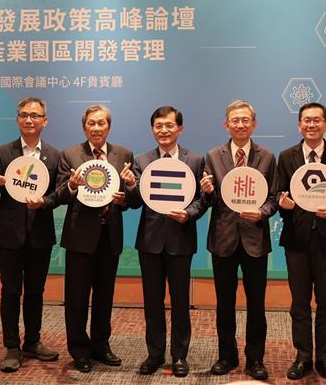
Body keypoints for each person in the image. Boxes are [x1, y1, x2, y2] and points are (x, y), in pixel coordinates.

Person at [57, 104, 139, 373]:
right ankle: (80, 350)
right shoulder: (70, 154)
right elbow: (60, 193)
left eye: (101, 123)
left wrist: (125, 194)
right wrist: (72, 185)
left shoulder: (124, 154)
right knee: (77, 297)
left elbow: (131, 201)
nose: (96, 128)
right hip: (80, 235)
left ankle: (101, 346)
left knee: (104, 295)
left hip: (109, 235)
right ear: (84, 127)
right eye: (91, 123)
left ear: (108, 127)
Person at [199, 100, 277, 380]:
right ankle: (226, 356)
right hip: (224, 239)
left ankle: (255, 359)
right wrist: (206, 191)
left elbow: (272, 198)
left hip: (255, 240)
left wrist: (262, 212)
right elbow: (208, 199)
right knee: (224, 303)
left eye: (246, 120)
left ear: (254, 124)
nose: (240, 124)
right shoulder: (213, 155)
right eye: (235, 120)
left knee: (257, 304)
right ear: (226, 124)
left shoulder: (267, 156)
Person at [276, 102, 326, 382]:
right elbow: (277, 195)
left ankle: (325, 358)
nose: (311, 125)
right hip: (296, 240)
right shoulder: (286, 156)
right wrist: (282, 203)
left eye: (317, 120)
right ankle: (302, 357)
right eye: (306, 120)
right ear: (299, 125)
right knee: (299, 304)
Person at [0, 97, 62, 372]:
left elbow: (59, 193)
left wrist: (46, 201)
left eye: (35, 115)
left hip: (40, 234)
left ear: (45, 120)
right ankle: (12, 347)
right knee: (10, 291)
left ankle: (32, 341)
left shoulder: (54, 155)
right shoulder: (3, 153)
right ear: (17, 120)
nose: (29, 120)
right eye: (24, 115)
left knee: (36, 292)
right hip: (9, 234)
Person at [131, 106, 206, 378]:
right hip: (150, 242)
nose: (163, 130)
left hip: (180, 239)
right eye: (158, 125)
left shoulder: (196, 160)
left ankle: (179, 356)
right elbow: (135, 201)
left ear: (180, 129)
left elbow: (202, 199)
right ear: (153, 129)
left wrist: (189, 214)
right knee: (152, 302)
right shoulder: (141, 161)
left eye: (169, 125)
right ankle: (154, 354)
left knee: (180, 302)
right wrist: (130, 186)